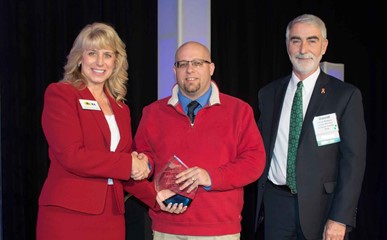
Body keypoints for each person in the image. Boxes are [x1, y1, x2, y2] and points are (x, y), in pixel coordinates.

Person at [124, 41, 266, 240]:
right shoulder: (153, 112)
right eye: (183, 64)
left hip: (219, 230)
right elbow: (141, 161)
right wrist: (143, 165)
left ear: (211, 68)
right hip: (167, 228)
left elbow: (254, 162)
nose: (190, 70)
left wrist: (211, 177)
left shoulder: (239, 111)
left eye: (198, 63)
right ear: (174, 70)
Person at [255, 14, 367, 240]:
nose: (303, 48)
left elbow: (353, 162)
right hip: (276, 207)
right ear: (287, 45)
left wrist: (341, 217)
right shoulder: (268, 94)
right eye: (296, 40)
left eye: (312, 40)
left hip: (323, 210)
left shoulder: (345, 96)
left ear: (324, 46)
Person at [36, 22, 151, 240]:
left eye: (107, 55)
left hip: (111, 217)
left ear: (115, 61)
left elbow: (120, 168)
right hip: (68, 215)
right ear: (79, 58)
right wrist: (129, 164)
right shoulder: (61, 94)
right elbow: (72, 156)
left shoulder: (120, 108)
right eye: (92, 53)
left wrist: (157, 197)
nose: (100, 62)